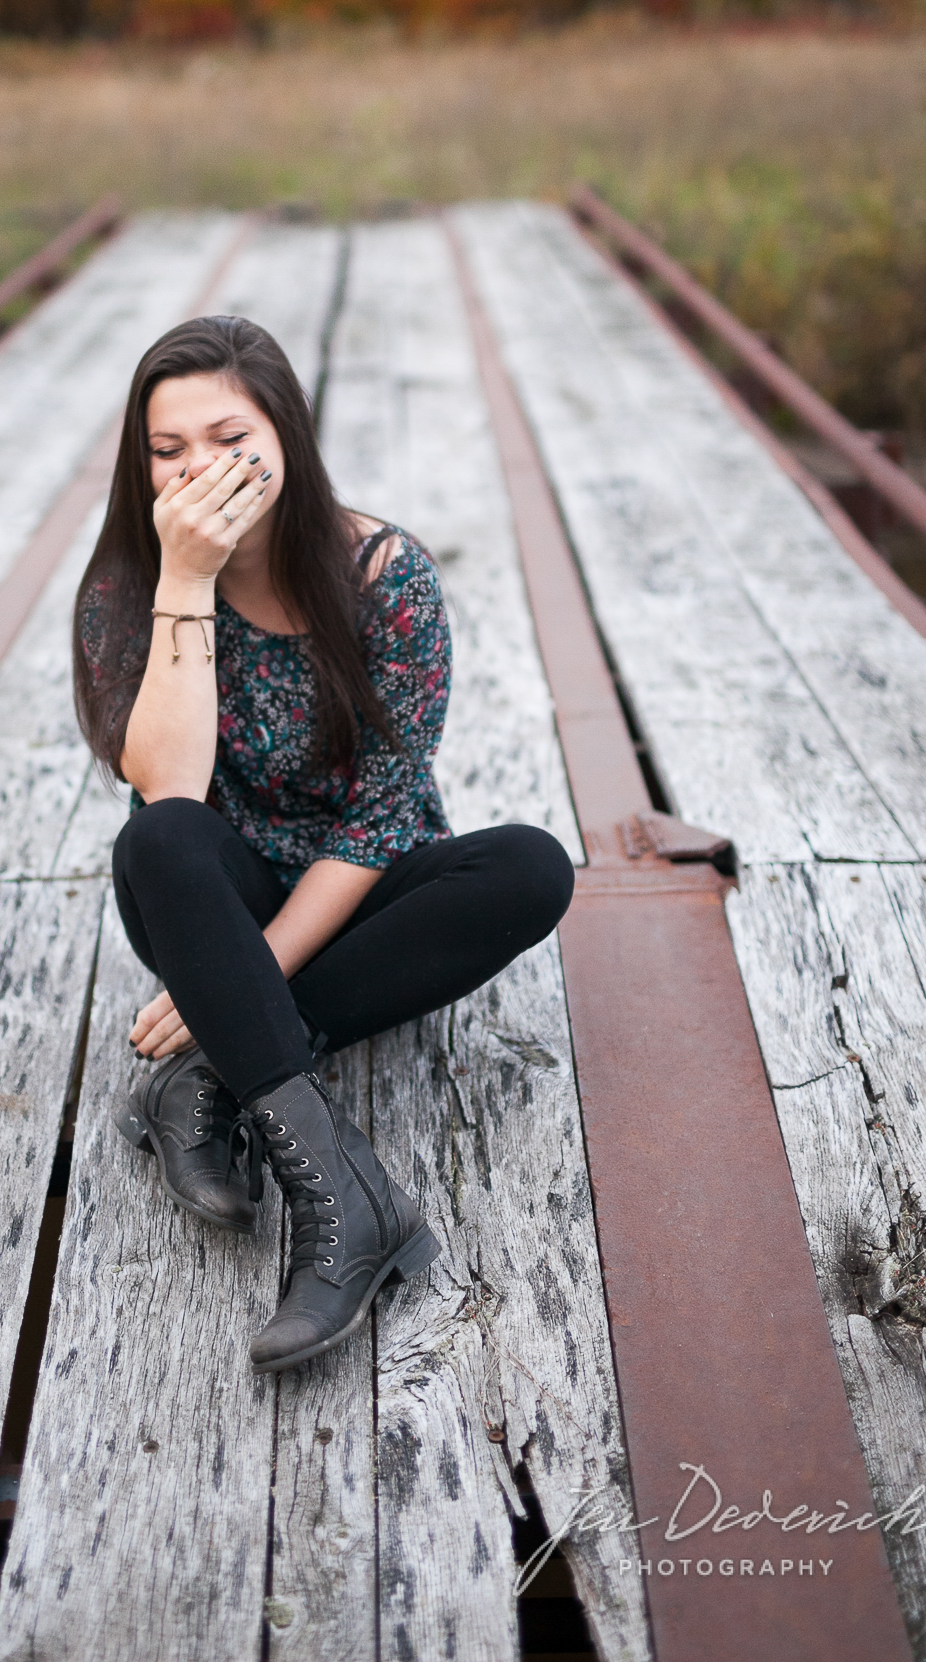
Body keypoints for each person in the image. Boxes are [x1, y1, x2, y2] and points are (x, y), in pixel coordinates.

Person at [72, 313, 574, 1375]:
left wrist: (241, 993)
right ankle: (343, 1195)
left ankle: (211, 1068)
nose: (201, 468)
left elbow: (385, 815)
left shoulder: (386, 576)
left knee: (530, 865)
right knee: (160, 837)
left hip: (360, 894)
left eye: (228, 437)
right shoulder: (129, 585)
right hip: (211, 897)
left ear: (287, 438)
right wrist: (186, 581)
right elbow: (168, 783)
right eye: (169, 451)